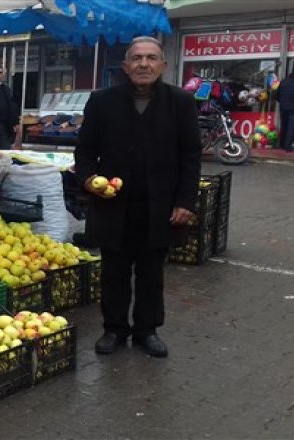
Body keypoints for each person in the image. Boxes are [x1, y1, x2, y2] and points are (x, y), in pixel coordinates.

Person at [75, 36, 202, 358]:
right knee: (113, 272)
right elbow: (85, 150)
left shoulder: (181, 103)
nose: (144, 64)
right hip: (112, 203)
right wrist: (89, 179)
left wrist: (186, 201)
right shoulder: (102, 101)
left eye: (151, 58)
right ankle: (114, 328)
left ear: (163, 65)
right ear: (126, 65)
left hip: (159, 205)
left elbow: (191, 156)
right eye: (137, 58)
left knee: (151, 273)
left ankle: (147, 329)